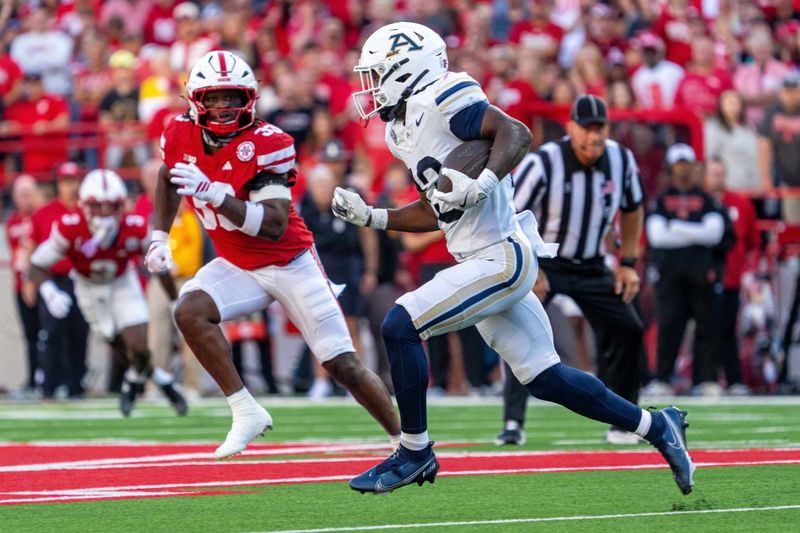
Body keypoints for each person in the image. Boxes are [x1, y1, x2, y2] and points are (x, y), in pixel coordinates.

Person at [332, 21, 694, 495]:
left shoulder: (442, 96)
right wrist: (374, 217)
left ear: (408, 69)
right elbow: (435, 210)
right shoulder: (404, 129)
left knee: (400, 324)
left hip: (499, 257)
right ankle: (656, 425)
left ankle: (415, 452)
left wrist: (482, 183)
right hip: (479, 258)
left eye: (380, 74)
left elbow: (515, 133)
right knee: (546, 378)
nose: (373, 87)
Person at [145, 50, 400, 459]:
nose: (224, 106)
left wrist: (214, 192)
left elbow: (273, 224)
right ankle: (245, 410)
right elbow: (167, 176)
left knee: (342, 365)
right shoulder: (177, 132)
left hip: (289, 262)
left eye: (232, 96)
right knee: (189, 311)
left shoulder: (270, 143)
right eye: (214, 97)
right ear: (197, 99)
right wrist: (159, 235)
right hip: (238, 264)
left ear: (250, 97)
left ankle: (406, 441)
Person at [501, 94, 647, 446]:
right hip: (547, 261)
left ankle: (623, 420)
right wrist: (529, 267)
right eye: (587, 128)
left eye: (601, 128)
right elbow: (510, 213)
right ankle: (512, 423)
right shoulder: (545, 161)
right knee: (519, 327)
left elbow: (633, 208)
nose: (594, 136)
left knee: (629, 328)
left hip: (592, 264)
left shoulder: (621, 159)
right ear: (571, 128)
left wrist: (627, 264)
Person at [29, 169, 187, 416]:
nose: (104, 213)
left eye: (111, 206)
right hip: (88, 288)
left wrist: (174, 300)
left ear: (121, 204)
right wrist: (49, 291)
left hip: (123, 282)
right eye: (97, 206)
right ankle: (159, 381)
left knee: (139, 345)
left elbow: (158, 265)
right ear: (84, 205)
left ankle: (140, 380)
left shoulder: (134, 226)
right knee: (118, 344)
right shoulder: (70, 226)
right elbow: (37, 264)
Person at [644, 144, 734, 397]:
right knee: (669, 326)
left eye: (687, 165)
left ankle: (706, 379)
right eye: (679, 165)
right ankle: (663, 378)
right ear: (671, 169)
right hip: (670, 275)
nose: (684, 170)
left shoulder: (706, 200)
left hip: (701, 274)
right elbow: (657, 236)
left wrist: (676, 227)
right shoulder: (661, 199)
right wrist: (696, 233)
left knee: (707, 326)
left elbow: (715, 233)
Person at [29, 162, 89, 399]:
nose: (70, 186)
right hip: (51, 280)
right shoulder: (45, 213)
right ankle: (50, 386)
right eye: (65, 181)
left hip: (81, 278)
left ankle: (76, 385)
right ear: (58, 184)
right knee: (51, 332)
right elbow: (32, 251)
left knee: (79, 332)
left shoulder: (87, 211)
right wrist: (31, 282)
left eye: (73, 181)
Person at [702, 158, 760, 395]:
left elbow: (753, 243)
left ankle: (734, 380)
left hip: (732, 278)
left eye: (721, 173)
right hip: (702, 280)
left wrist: (749, 273)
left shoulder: (741, 204)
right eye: (714, 173)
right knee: (704, 331)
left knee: (728, 330)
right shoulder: (698, 203)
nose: (718, 178)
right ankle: (705, 379)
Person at [5, 175, 44, 396]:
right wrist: (28, 281)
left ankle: (51, 377)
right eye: (20, 195)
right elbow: (20, 255)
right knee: (30, 335)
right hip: (21, 285)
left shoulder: (42, 216)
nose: (25, 199)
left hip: (44, 284)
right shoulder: (13, 222)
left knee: (49, 334)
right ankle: (33, 379)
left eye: (28, 194)